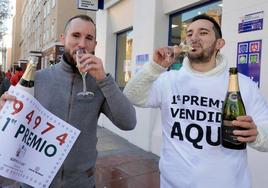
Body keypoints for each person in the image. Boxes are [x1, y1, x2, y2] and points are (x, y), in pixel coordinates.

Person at [123, 14, 268, 188]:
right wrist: (155, 67)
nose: (194, 38)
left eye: (203, 32)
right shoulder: (169, 80)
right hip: (172, 183)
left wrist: (256, 135)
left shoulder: (242, 85)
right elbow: (131, 95)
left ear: (219, 44)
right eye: (189, 33)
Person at [0, 14, 136, 188]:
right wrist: (4, 111)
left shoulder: (100, 83)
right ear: (63, 39)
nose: (82, 44)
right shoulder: (39, 78)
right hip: (34, 181)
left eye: (89, 38)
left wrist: (104, 79)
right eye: (76, 35)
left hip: (81, 183)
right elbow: (13, 127)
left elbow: (128, 122)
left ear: (95, 44)